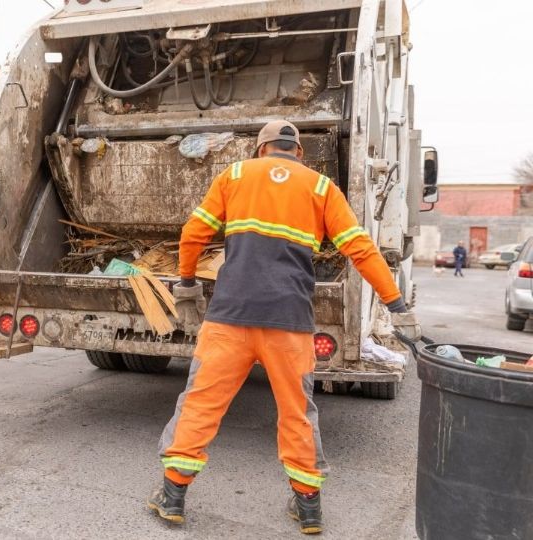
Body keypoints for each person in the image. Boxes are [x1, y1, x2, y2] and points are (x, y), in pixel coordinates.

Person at [147, 121, 419, 534]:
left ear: (261, 149)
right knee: (297, 414)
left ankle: (173, 496)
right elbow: (361, 249)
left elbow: (193, 234)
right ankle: (308, 508)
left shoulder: (235, 175)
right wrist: (395, 303)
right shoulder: (321, 188)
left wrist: (186, 283)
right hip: (289, 323)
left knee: (201, 405)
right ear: (299, 153)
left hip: (229, 319)